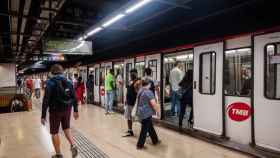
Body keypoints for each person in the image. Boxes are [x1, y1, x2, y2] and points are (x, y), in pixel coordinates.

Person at [41, 64, 79, 158]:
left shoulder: (50, 83)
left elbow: (46, 100)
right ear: (62, 71)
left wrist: (43, 115)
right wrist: (76, 110)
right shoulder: (69, 82)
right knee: (66, 128)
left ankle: (58, 154)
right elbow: (74, 97)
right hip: (67, 109)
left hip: (55, 111)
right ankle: (73, 144)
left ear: (52, 72)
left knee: (54, 132)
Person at [136, 79, 160, 149]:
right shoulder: (148, 92)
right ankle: (140, 145)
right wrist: (158, 112)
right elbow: (153, 104)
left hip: (141, 112)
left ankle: (155, 140)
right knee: (144, 129)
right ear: (148, 84)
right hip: (146, 113)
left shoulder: (140, 90)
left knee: (150, 127)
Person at [123, 69, 139, 137]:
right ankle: (130, 130)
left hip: (134, 103)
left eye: (133, 73)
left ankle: (147, 131)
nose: (131, 74)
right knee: (128, 117)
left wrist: (137, 101)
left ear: (136, 74)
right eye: (130, 73)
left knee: (140, 118)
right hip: (129, 102)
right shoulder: (130, 82)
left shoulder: (137, 82)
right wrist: (126, 100)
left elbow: (138, 92)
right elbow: (128, 91)